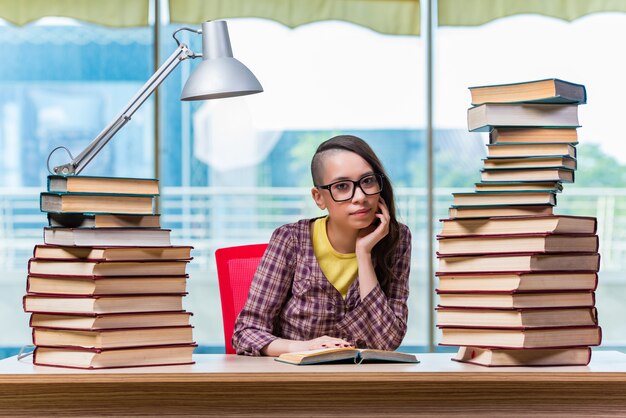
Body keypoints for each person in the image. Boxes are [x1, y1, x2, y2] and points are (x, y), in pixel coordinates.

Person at [232, 135, 412, 356]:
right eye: (342, 186)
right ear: (319, 198)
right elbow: (246, 332)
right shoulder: (291, 240)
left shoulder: (397, 239)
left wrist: (363, 254)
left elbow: (387, 341)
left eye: (367, 181)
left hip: (360, 381)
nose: (360, 197)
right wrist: (302, 348)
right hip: (294, 380)